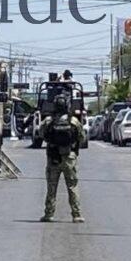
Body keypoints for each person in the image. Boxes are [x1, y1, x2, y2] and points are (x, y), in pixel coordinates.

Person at [39, 95, 85, 223]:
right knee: (72, 186)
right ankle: (77, 215)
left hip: (53, 157)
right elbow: (82, 137)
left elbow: (41, 134)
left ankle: (49, 214)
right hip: (69, 157)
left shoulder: (49, 121)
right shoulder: (74, 121)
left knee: (51, 187)